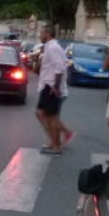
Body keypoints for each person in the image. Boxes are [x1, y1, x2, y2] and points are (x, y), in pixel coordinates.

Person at [34, 25, 75, 155]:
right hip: (47, 85)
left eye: (41, 33)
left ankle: (56, 146)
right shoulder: (49, 47)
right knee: (41, 114)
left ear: (47, 33)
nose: (40, 36)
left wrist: (56, 86)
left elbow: (59, 67)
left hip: (51, 87)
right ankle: (56, 139)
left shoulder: (52, 48)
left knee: (51, 117)